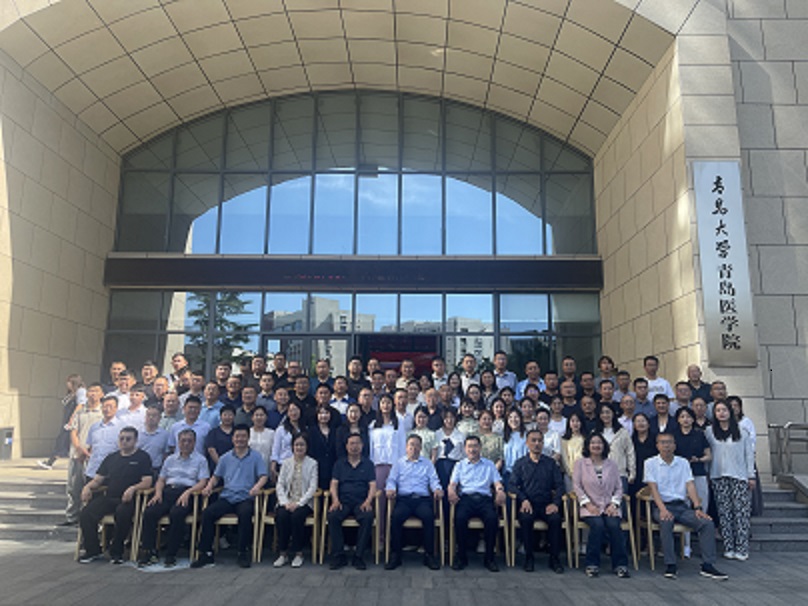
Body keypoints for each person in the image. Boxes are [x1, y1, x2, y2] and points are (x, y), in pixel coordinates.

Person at [644, 432, 727, 580]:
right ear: (657, 446)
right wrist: (663, 510)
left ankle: (708, 565)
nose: (666, 445)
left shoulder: (683, 463)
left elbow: (690, 485)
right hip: (661, 506)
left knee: (706, 523)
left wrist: (698, 508)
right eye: (663, 442)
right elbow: (653, 489)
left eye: (669, 442)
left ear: (674, 445)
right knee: (666, 521)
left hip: (682, 507)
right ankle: (670, 564)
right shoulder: (650, 463)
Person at [192, 425, 268, 569]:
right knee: (208, 513)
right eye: (237, 436)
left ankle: (242, 552)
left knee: (245, 514)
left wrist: (257, 487)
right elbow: (216, 477)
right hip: (227, 496)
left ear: (248, 438)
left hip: (246, 497)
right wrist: (208, 487)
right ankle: (206, 553)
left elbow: (263, 476)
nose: (240, 439)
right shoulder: (225, 457)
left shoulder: (256, 456)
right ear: (233, 439)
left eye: (243, 436)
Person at [78, 426, 153, 563]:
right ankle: (93, 550)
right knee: (86, 513)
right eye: (121, 438)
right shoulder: (111, 458)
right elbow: (98, 480)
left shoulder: (142, 457)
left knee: (122, 514)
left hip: (130, 499)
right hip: (110, 497)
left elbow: (147, 481)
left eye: (128, 439)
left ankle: (117, 552)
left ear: (135, 440)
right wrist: (87, 487)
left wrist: (133, 488)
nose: (124, 442)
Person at [138, 428, 209, 567]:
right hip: (168, 491)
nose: (186, 444)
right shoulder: (170, 459)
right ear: (178, 442)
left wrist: (188, 492)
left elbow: (203, 482)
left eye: (189, 441)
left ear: (194, 442)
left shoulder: (201, 460)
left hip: (188, 493)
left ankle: (171, 553)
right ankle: (149, 551)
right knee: (150, 512)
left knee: (177, 513)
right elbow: (161, 479)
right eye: (183, 441)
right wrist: (158, 493)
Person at [573, 433, 629, 578]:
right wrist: (587, 504)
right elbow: (577, 486)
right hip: (589, 508)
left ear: (604, 446)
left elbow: (619, 487)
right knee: (597, 525)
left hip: (609, 507)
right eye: (593, 443)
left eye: (599, 443)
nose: (596, 446)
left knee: (614, 526)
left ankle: (620, 565)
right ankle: (592, 564)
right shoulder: (580, 464)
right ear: (588, 446)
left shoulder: (612, 464)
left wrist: (614, 504)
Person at [384, 434, 443, 570]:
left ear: (421, 448)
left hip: (422, 500)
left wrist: (437, 489)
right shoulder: (399, 463)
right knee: (396, 517)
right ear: (406, 447)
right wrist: (390, 489)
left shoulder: (427, 464)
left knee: (428, 517)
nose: (414, 448)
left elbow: (434, 480)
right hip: (404, 500)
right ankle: (395, 555)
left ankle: (429, 555)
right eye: (411, 445)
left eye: (417, 445)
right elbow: (391, 480)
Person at [705, 401, 756, 561]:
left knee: (741, 513)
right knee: (724, 513)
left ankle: (742, 548)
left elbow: (749, 454)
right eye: (718, 410)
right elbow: (708, 455)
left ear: (730, 412)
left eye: (724, 410)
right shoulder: (709, 431)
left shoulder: (742, 431)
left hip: (739, 476)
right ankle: (729, 547)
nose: (721, 413)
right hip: (718, 476)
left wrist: (751, 475)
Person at [511, 429, 565, 574]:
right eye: (533, 441)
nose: (537, 444)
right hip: (528, 503)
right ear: (527, 443)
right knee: (526, 519)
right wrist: (523, 499)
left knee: (555, 519)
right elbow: (512, 485)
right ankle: (529, 558)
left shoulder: (551, 463)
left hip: (547, 503)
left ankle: (554, 559)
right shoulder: (520, 463)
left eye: (540, 441)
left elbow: (560, 486)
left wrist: (555, 503)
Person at [448, 436, 506, 572]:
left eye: (475, 446)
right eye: (469, 446)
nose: (472, 449)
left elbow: (497, 482)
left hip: (484, 499)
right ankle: (461, 557)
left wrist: (500, 491)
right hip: (466, 499)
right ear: (465, 449)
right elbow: (453, 483)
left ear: (480, 448)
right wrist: (450, 490)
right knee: (460, 519)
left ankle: (489, 558)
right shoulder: (460, 465)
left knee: (492, 519)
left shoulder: (489, 464)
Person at [328, 433, 376, 570]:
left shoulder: (368, 464)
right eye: (351, 443)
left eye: (357, 443)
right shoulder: (339, 463)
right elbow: (334, 484)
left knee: (367, 517)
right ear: (346, 446)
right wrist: (335, 500)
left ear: (362, 445)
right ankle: (339, 556)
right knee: (333, 516)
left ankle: (358, 556)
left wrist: (368, 501)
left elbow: (373, 485)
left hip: (361, 501)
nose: (354, 446)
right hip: (343, 501)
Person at [273, 433, 318, 569]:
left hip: (304, 502)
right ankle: (283, 553)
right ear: (292, 446)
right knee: (281, 515)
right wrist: (285, 502)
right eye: (296, 444)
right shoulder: (286, 463)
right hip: (287, 501)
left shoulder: (313, 463)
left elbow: (312, 487)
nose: (299, 447)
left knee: (297, 516)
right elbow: (280, 485)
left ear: (307, 447)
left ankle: (298, 553)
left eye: (302, 445)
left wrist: (299, 503)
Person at [674, 406, 711, 559]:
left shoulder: (699, 434)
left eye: (688, 416)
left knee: (702, 509)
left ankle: (704, 547)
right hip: (680, 477)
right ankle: (686, 546)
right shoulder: (674, 435)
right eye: (682, 416)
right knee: (685, 511)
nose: (685, 419)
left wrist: (699, 459)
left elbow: (708, 455)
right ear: (678, 419)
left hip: (698, 473)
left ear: (693, 419)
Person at [369, 393, 405, 544]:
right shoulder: (373, 425)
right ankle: (380, 537)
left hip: (395, 466)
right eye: (383, 402)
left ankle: (394, 539)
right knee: (380, 502)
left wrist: (401, 467)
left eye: (388, 402)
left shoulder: (399, 423)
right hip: (378, 466)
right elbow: (371, 449)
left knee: (394, 500)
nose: (386, 405)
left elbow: (402, 446)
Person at [39, 374, 86, 470]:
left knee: (63, 440)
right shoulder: (71, 393)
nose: (67, 384)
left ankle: (50, 462)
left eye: (69, 382)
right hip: (67, 420)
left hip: (72, 421)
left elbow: (80, 405)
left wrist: (72, 418)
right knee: (64, 441)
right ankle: (52, 461)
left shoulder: (80, 391)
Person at [595, 403, 635, 494]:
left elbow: (630, 452)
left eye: (608, 412)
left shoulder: (622, 432)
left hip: (620, 473)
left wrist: (632, 472)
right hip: (600, 474)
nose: (605, 415)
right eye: (602, 413)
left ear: (613, 414)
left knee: (620, 500)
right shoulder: (595, 432)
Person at [84, 395, 124, 480]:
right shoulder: (94, 427)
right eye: (105, 406)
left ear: (116, 408)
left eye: (110, 406)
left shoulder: (122, 428)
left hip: (112, 473)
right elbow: (90, 447)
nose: (107, 409)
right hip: (93, 471)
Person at [433, 407, 465, 492]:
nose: (449, 420)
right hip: (440, 465)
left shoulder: (460, 435)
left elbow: (463, 455)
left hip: (455, 465)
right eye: (446, 418)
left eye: (452, 417)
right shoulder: (436, 434)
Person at [271, 401, 304, 483]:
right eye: (291, 410)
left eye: (296, 410)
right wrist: (273, 467)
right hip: (283, 464)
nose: (293, 413)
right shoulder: (281, 430)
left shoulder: (304, 429)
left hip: (301, 465)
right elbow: (276, 449)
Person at [309, 406, 338, 491]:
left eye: (326, 413)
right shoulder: (311, 431)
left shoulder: (336, 431)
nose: (324, 416)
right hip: (316, 468)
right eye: (321, 413)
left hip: (332, 468)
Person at [137, 406, 169, 475]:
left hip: (155, 470)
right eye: (148, 415)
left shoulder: (165, 435)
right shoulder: (138, 433)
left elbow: (165, 454)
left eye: (154, 415)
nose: (151, 418)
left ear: (160, 418)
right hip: (138, 469)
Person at [205, 404, 235, 473]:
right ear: (220, 416)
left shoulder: (236, 432)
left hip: (234, 467)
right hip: (216, 468)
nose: (227, 417)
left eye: (230, 415)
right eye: (225, 415)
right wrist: (221, 465)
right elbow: (211, 449)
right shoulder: (213, 432)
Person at [502, 409, 527, 489]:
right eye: (510, 417)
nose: (513, 420)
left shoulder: (526, 436)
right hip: (507, 473)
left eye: (516, 417)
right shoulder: (503, 436)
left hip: (523, 473)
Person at [561, 412, 585, 493]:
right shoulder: (564, 440)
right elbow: (564, 458)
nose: (575, 423)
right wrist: (571, 473)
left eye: (577, 421)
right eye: (573, 421)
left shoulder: (586, 438)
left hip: (585, 474)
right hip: (569, 474)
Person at [248, 405, 275, 470]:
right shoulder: (248, 432)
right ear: (252, 417)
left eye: (261, 415)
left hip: (266, 466)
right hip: (249, 467)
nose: (259, 417)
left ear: (266, 417)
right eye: (256, 415)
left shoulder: (271, 433)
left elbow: (273, 452)